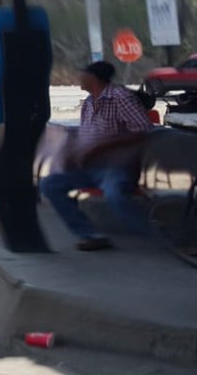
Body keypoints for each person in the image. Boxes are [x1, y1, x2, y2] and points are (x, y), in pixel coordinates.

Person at [40, 61, 155, 251]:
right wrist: (73, 153)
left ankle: (167, 237)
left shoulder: (120, 97)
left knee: (115, 196)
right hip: (89, 167)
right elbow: (87, 134)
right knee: (50, 184)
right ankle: (90, 234)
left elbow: (143, 131)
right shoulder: (88, 102)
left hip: (116, 166)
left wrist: (102, 147)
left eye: (83, 75)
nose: (79, 79)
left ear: (93, 78)